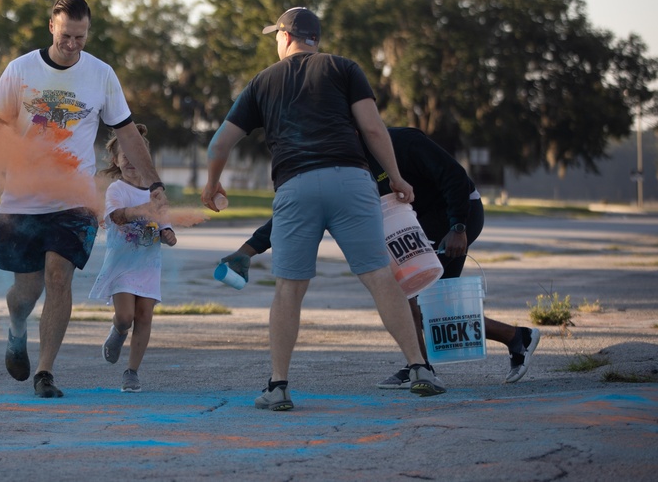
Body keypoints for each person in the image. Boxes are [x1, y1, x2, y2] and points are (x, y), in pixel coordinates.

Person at [202, 7, 444, 411]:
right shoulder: (344, 68)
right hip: (351, 179)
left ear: (284, 36)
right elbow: (371, 128)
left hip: (296, 186)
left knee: (289, 289)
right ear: (316, 39)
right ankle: (419, 368)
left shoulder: (262, 81)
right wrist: (397, 178)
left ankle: (278, 386)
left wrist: (212, 184)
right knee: (381, 278)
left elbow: (219, 145)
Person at [0, 0, 168, 398]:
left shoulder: (102, 75)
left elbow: (126, 132)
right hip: (22, 199)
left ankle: (45, 372)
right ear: (52, 26)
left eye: (81, 36)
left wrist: (153, 181)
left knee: (59, 277)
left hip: (75, 200)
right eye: (67, 35)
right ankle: (16, 330)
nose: (73, 44)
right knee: (25, 292)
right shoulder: (20, 70)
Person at [221, 126, 541, 388]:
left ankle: (424, 365)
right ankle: (507, 341)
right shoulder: (342, 167)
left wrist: (458, 226)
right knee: (433, 300)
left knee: (415, 293)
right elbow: (299, 212)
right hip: (414, 223)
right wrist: (248, 250)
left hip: (455, 213)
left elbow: (455, 178)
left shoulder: (403, 142)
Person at [88, 124, 177, 393]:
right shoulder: (116, 190)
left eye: (133, 153)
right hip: (122, 265)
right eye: (122, 154)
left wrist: (168, 233)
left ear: (144, 159)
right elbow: (116, 216)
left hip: (148, 266)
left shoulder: (155, 193)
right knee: (125, 316)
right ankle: (117, 332)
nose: (128, 158)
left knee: (144, 317)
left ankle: (131, 372)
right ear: (115, 160)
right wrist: (143, 209)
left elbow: (163, 224)